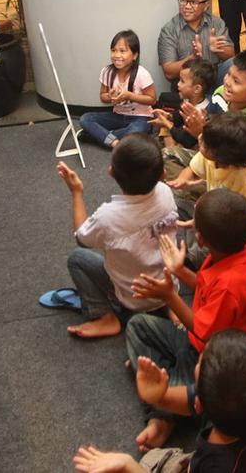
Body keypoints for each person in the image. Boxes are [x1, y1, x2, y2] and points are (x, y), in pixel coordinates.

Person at [126, 189, 246, 451]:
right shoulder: (233, 253)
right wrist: (179, 270)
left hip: (211, 357)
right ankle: (172, 389)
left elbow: (203, 333)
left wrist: (169, 295)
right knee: (137, 325)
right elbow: (205, 284)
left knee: (168, 388)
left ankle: (163, 417)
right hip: (195, 337)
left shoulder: (231, 284)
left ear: (200, 238)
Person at [74, 330, 246, 473]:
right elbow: (192, 398)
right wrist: (159, 396)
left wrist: (128, 466)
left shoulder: (218, 466)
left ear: (201, 405)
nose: (195, 365)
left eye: (198, 364)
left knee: (148, 461)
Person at [56, 135, 178, 339]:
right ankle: (169, 307)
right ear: (163, 174)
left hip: (134, 299)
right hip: (168, 287)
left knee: (77, 259)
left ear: (111, 172)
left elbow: (81, 237)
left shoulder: (108, 217)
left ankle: (104, 315)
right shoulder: (166, 192)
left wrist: (76, 192)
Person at [166, 112, 246, 267]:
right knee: (173, 198)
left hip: (245, 237)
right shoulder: (217, 157)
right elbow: (191, 169)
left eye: (204, 142)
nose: (199, 139)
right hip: (215, 209)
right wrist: (182, 180)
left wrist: (203, 224)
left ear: (220, 158)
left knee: (198, 254)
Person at [166, 50, 246, 189]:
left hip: (244, 170)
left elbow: (232, 159)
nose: (228, 82)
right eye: (229, 74)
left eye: (236, 81)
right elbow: (211, 122)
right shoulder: (220, 93)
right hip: (216, 151)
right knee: (168, 155)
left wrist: (201, 133)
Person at [80, 29, 157, 148]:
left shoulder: (142, 74)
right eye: (113, 50)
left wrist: (130, 96)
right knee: (85, 119)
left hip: (141, 117)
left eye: (122, 51)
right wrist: (110, 97)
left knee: (136, 130)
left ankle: (100, 137)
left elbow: (152, 99)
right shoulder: (107, 71)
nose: (117, 55)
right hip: (118, 115)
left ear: (135, 55)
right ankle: (115, 142)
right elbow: (102, 96)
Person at [156, 0, 234, 84]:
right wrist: (192, 59)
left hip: (214, 79)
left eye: (193, 2)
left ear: (206, 5)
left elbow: (231, 57)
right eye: (183, 0)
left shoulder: (216, 23)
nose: (187, 6)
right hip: (187, 84)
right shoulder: (169, 30)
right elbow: (168, 73)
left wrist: (219, 50)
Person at [151, 58, 214, 151]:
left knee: (166, 128)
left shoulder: (201, 113)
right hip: (181, 137)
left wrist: (166, 123)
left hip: (193, 147)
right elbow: (180, 115)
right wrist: (169, 116)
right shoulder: (188, 101)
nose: (178, 84)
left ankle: (170, 153)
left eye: (182, 81)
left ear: (197, 89)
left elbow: (187, 141)